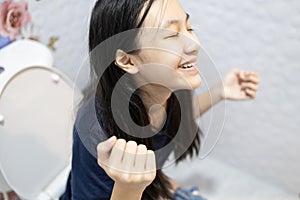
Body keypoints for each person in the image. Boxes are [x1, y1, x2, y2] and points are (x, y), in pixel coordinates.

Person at [60, 0, 260, 199]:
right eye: (172, 34)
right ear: (128, 60)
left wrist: (220, 91)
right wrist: (129, 188)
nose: (195, 44)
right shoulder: (95, 131)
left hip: (152, 187)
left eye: (189, 28)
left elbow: (171, 122)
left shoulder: (168, 88)